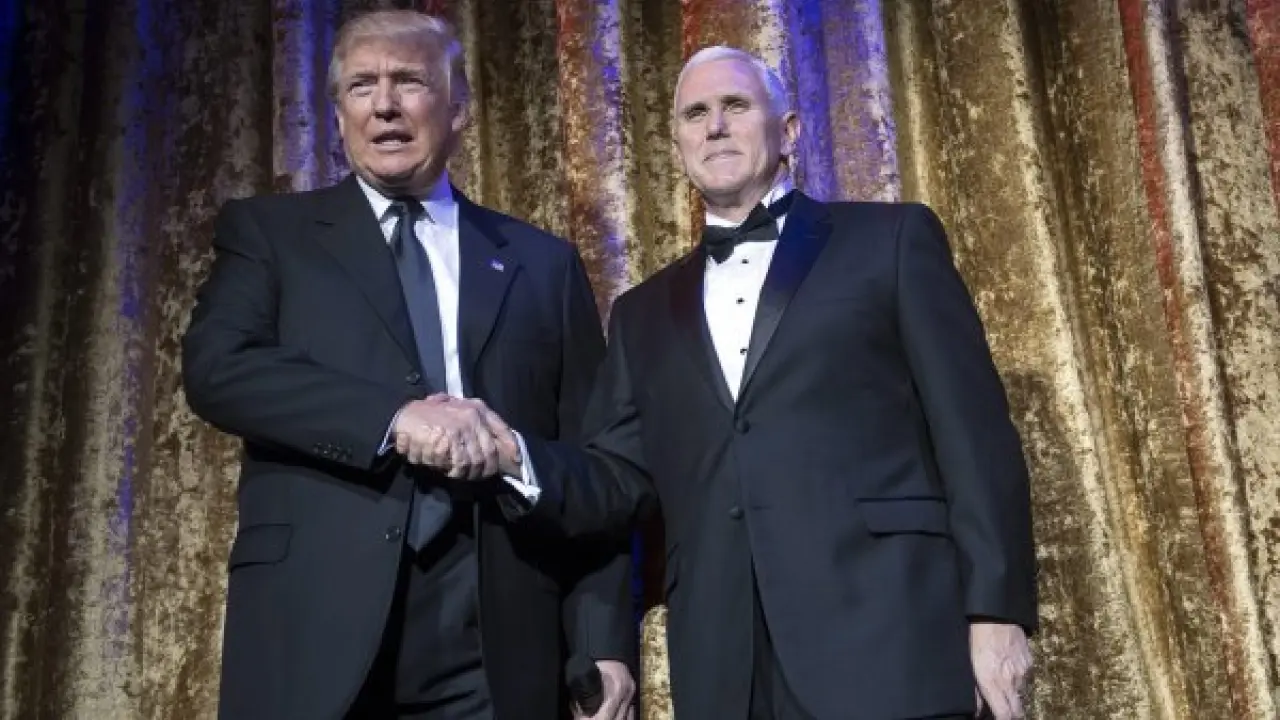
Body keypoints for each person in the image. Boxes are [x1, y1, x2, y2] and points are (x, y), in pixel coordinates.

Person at [515, 46, 1039, 719]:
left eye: (735, 106)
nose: (715, 126)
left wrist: (996, 611)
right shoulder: (640, 313)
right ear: (678, 146)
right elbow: (614, 482)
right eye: (695, 114)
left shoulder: (891, 241)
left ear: (789, 131)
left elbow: (974, 435)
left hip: (888, 640)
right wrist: (515, 457)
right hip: (727, 664)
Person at [181, 10, 635, 720]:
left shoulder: (542, 264)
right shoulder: (272, 235)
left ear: (458, 109)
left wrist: (601, 639)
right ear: (338, 116)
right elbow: (218, 368)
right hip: (315, 626)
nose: (385, 104)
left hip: (494, 634)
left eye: (410, 81)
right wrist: (394, 419)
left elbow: (600, 470)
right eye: (362, 85)